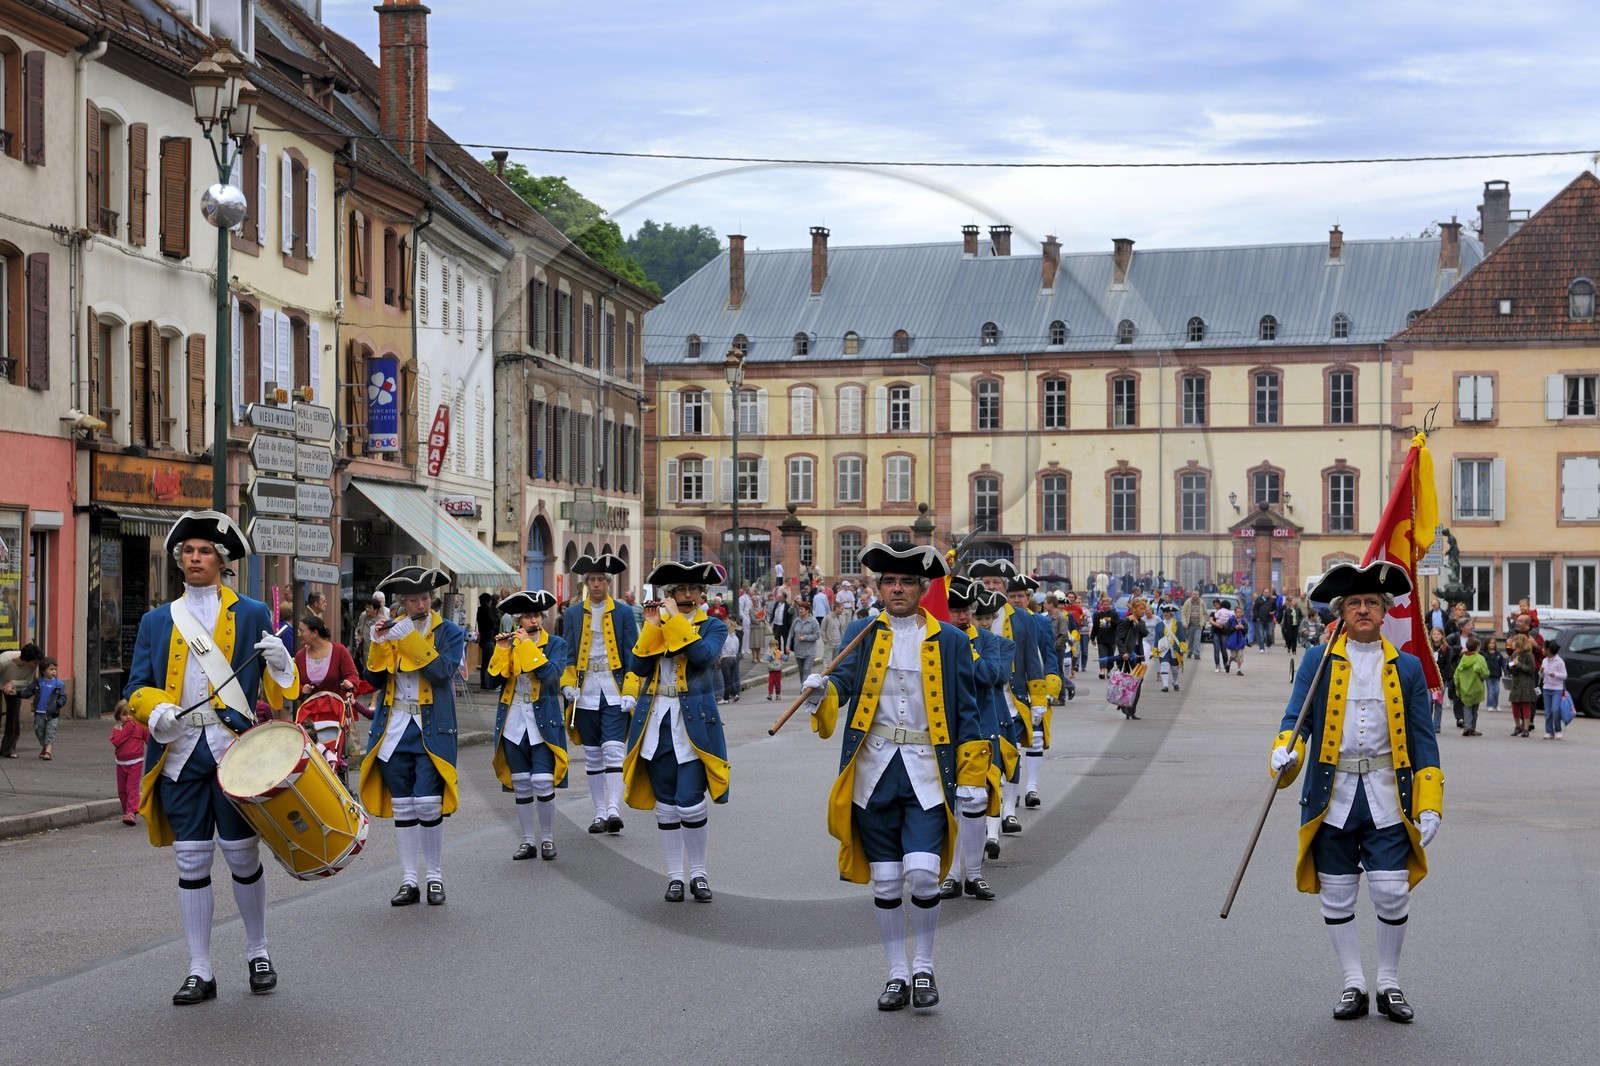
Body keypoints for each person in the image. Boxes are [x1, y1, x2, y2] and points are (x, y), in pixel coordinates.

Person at [798, 543, 986, 1011]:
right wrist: (820, 691)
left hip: (925, 769)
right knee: (885, 883)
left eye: (905, 582)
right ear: (878, 588)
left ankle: (923, 967)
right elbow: (843, 684)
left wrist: (971, 776)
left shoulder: (951, 640)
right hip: (874, 771)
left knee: (923, 877)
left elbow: (966, 711)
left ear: (922, 589)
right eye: (888, 582)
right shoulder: (863, 631)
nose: (896, 589)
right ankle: (896, 974)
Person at [124, 510, 299, 1004]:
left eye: (204, 551)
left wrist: (282, 664)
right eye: (188, 551)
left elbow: (281, 690)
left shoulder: (251, 613)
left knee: (242, 854)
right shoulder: (157, 620)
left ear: (222, 561)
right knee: (191, 857)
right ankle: (199, 968)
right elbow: (137, 686)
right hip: (179, 751)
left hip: (233, 749)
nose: (194, 558)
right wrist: (155, 711)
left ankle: (257, 951)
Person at [1269, 561, 1442, 1024]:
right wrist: (1285, 751)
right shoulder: (1316, 661)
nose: (1362, 609)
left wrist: (1429, 803)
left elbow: (1424, 740)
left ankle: (1388, 982)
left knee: (1390, 891)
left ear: (1384, 612)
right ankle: (1353, 983)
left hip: (1388, 795)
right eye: (1353, 603)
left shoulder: (1406, 667)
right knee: (1338, 893)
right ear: (1340, 613)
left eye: (1370, 602)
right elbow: (1295, 719)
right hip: (1332, 794)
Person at [623, 561, 729, 903]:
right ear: (669, 595)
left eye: (692, 590)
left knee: (690, 802)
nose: (686, 595)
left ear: (702, 595)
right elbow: (638, 666)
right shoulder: (659, 624)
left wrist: (677, 622)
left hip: (694, 726)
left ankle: (698, 873)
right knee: (666, 806)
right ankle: (674, 877)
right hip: (657, 723)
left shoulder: (713, 626)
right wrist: (652, 626)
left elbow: (703, 657)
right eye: (678, 590)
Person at [360, 566, 465, 908]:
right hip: (394, 729)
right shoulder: (391, 629)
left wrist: (406, 638)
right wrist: (378, 643)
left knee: (427, 802)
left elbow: (441, 672)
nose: (420, 604)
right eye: (412, 599)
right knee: (403, 805)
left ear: (430, 599)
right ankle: (408, 880)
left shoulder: (449, 631)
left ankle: (434, 877)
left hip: (430, 728)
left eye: (424, 598)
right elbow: (371, 682)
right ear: (402, 601)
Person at [939, 581, 1010, 901]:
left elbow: (990, 677)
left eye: (967, 610)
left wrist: (966, 643)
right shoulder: (935, 641)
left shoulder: (989, 642)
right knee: (949, 805)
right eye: (955, 610)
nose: (963, 616)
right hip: (943, 731)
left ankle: (975, 876)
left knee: (975, 803)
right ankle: (952, 875)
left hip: (980, 729)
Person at [559, 553, 639, 835]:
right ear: (586, 583)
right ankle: (599, 813)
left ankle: (614, 810)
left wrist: (631, 688)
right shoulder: (572, 614)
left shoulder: (624, 613)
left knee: (614, 749)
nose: (596, 585)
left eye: (601, 580)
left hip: (614, 690)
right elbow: (568, 655)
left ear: (608, 583)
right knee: (593, 754)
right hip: (586, 692)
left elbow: (633, 654)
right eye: (592, 580)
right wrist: (567, 683)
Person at [489, 590, 568, 861]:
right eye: (527, 617)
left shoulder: (556, 644)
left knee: (543, 782)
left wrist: (524, 647)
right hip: (513, 721)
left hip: (543, 721)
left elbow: (550, 675)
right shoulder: (508, 644)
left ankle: (547, 838)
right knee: (521, 783)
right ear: (517, 621)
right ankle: (527, 840)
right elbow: (491, 683)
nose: (534, 621)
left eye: (537, 615)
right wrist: (501, 651)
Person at [968, 559, 1046, 832]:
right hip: (980, 700)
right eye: (986, 582)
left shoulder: (1022, 618)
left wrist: (1038, 701)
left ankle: (1010, 811)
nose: (991, 586)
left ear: (1005, 586)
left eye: (996, 583)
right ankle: (991, 815)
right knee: (988, 761)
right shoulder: (969, 616)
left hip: (1012, 700)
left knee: (1011, 755)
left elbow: (1033, 661)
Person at [293, 615, 361, 777]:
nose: (299, 634)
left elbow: (353, 675)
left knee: (334, 748)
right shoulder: (301, 656)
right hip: (310, 713)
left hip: (335, 712)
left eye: (302, 631)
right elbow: (294, 684)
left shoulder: (339, 651)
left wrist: (349, 684)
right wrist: (302, 689)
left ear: (315, 633)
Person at [0, 641, 42, 758]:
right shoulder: (4, 661)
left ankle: (8, 748)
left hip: (13, 686)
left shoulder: (31, 667)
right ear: (25, 659)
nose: (37, 665)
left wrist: (12, 683)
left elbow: (27, 681)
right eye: (35, 662)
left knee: (14, 714)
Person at [109, 700, 147, 826]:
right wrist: (128, 729)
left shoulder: (140, 726)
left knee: (132, 788)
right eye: (125, 715)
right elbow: (116, 742)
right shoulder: (117, 729)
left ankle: (131, 812)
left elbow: (149, 740)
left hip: (136, 762)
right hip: (121, 763)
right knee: (122, 790)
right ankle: (127, 811)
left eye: (131, 714)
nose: (129, 717)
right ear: (119, 716)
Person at [21, 656, 67, 759]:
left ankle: (48, 752)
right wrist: (16, 693)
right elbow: (27, 692)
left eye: (55, 669)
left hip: (52, 713)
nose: (54, 671)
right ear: (43, 670)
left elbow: (63, 697)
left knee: (50, 731)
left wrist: (57, 704)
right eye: (51, 669)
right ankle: (45, 747)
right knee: (39, 731)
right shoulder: (38, 682)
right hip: (39, 712)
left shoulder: (59, 684)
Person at [1452, 638, 1489, 737]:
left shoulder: (1463, 659)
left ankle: (1467, 727)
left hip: (1465, 689)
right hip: (1476, 689)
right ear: (1477, 647)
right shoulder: (1479, 659)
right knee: (1474, 710)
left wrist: (1458, 688)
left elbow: (1456, 675)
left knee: (1466, 708)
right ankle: (1472, 728)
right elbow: (1485, 673)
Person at [1506, 634, 1540, 737]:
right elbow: (1511, 667)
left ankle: (1526, 728)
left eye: (1514, 641)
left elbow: (1531, 669)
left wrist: (1519, 665)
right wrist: (1510, 666)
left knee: (1525, 706)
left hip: (1526, 683)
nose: (1512, 643)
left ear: (1520, 642)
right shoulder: (1514, 654)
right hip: (1516, 683)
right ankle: (1517, 727)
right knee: (1515, 706)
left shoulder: (1529, 655)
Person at [1539, 641, 1568, 740]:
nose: (1542, 650)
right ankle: (1549, 732)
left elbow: (1564, 676)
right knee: (1547, 712)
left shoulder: (1559, 662)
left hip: (1557, 689)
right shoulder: (1544, 661)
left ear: (1549, 650)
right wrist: (1541, 672)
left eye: (1544, 648)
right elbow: (1541, 676)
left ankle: (1558, 730)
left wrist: (1555, 674)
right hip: (1546, 688)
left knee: (1555, 710)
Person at [788, 599, 822, 681]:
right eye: (799, 609)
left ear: (807, 610)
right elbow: (791, 634)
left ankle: (804, 689)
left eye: (802, 609)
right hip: (798, 650)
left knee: (806, 669)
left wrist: (805, 637)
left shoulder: (814, 622)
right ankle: (805, 685)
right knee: (801, 671)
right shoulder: (796, 620)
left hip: (809, 651)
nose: (800, 611)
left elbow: (817, 635)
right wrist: (787, 646)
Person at [475, 593, 501, 690]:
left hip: (487, 638)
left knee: (487, 661)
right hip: (488, 638)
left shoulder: (482, 611)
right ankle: (485, 682)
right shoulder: (485, 611)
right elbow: (492, 623)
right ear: (488, 601)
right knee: (488, 662)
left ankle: (485, 682)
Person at [719, 621, 743, 703]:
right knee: (732, 678)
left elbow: (722, 648)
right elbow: (737, 648)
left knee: (726, 679)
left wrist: (720, 657)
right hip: (734, 658)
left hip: (725, 658)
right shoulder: (736, 638)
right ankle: (736, 693)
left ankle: (725, 698)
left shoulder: (725, 637)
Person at [1209, 599, 1234, 673]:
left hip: (1224, 633)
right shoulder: (1213, 613)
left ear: (1221, 605)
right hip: (1216, 632)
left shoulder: (1226, 612)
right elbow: (1211, 621)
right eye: (1215, 605)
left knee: (1224, 650)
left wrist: (1224, 625)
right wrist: (1218, 625)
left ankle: (1225, 664)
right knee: (1216, 650)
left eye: (1217, 604)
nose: (1216, 606)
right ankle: (1217, 665)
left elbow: (1230, 621)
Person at [1482, 638, 1505, 715]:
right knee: (1490, 690)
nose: (1492, 645)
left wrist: (1506, 670)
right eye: (1490, 643)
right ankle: (1490, 704)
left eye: (1493, 643)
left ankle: (1496, 704)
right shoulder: (1485, 654)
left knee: (1497, 690)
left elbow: (1503, 664)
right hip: (1488, 675)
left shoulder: (1498, 654)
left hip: (1497, 675)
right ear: (1487, 644)